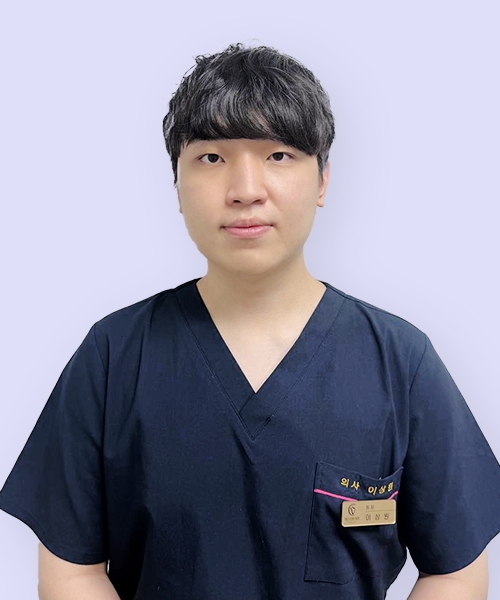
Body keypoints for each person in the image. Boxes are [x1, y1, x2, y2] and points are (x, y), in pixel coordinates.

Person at [0, 42, 499, 600]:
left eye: (278, 155)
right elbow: (72, 570)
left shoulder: (400, 362)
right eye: (212, 158)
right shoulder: (114, 355)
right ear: (177, 184)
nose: (245, 191)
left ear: (323, 180)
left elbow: (454, 570)